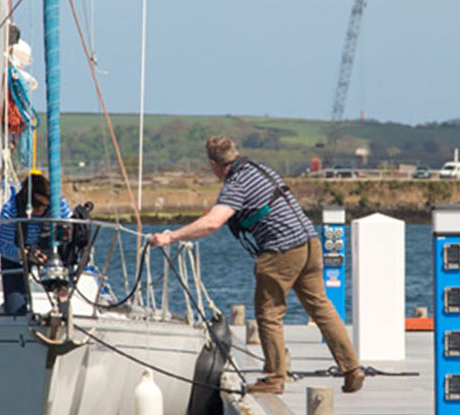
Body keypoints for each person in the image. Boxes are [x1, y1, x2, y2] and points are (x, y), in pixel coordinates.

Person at [150, 136, 362, 395]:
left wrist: (170, 237)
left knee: (270, 314)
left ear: (214, 164)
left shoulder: (235, 184)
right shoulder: (262, 170)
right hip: (310, 243)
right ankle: (352, 369)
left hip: (281, 251)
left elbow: (212, 222)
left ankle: (274, 378)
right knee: (321, 308)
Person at [0, 172, 64, 315]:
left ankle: (62, 309)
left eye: (44, 207)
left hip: (52, 254)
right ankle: (11, 310)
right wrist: (24, 255)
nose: (40, 211)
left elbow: (71, 226)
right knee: (15, 308)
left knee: (65, 288)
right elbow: (4, 247)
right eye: (37, 206)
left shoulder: (59, 205)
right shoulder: (10, 210)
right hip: (19, 256)